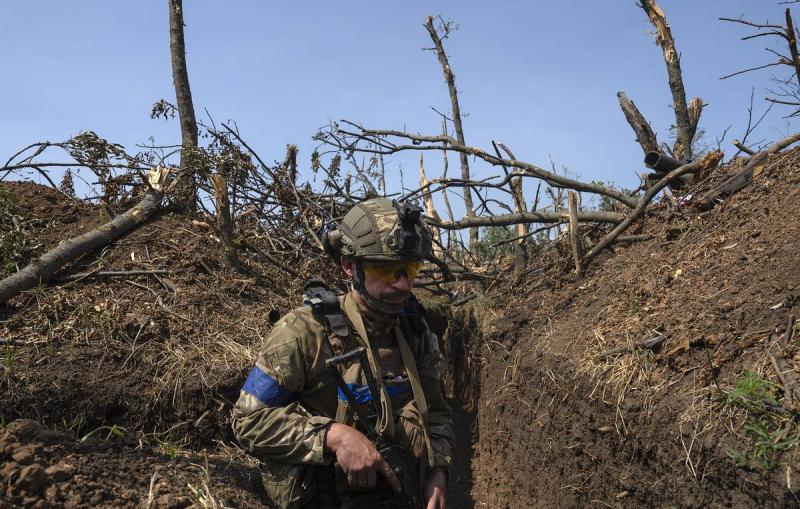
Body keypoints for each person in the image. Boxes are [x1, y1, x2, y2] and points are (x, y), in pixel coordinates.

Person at [231, 198, 454, 509]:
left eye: (410, 269)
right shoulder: (303, 332)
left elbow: (438, 413)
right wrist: (332, 437)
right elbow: (247, 421)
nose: (403, 284)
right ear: (350, 266)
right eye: (386, 270)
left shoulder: (416, 333)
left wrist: (438, 473)